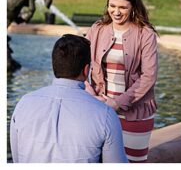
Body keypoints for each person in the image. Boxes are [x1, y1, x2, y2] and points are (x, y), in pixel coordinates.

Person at [9, 34, 128, 163]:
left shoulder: (23, 104)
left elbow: (17, 159)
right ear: (86, 70)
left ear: (54, 65)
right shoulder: (105, 114)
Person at [86, 0, 159, 162]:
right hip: (100, 109)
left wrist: (117, 103)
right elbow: (79, 64)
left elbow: (149, 76)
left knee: (134, 162)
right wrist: (90, 94)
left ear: (133, 6)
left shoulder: (145, 34)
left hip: (135, 113)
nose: (116, 12)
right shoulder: (97, 29)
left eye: (122, 7)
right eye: (112, 6)